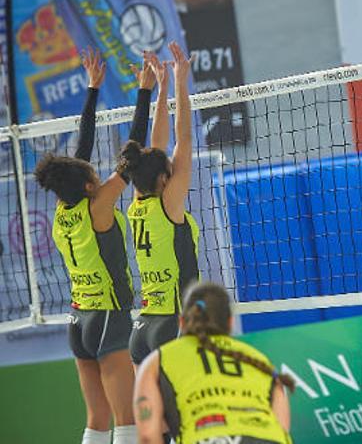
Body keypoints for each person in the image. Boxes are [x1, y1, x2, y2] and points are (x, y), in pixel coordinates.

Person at [34, 47, 156, 444]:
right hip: (106, 316)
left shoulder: (63, 207)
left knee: (96, 419)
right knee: (125, 418)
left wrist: (92, 89)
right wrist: (144, 92)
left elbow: (80, 154)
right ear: (89, 185)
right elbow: (134, 151)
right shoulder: (99, 205)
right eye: (92, 173)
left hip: (78, 320)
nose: (94, 170)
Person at [117, 41, 201, 367]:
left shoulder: (136, 201)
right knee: (184, 414)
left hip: (143, 327)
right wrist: (179, 81)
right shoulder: (169, 204)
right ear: (166, 179)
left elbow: (156, 147)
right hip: (174, 322)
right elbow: (184, 139)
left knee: (152, 418)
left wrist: (162, 87)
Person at [133, 282, 293, 444]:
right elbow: (282, 428)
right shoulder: (259, 359)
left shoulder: (157, 360)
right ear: (230, 323)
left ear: (181, 322)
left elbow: (148, 436)